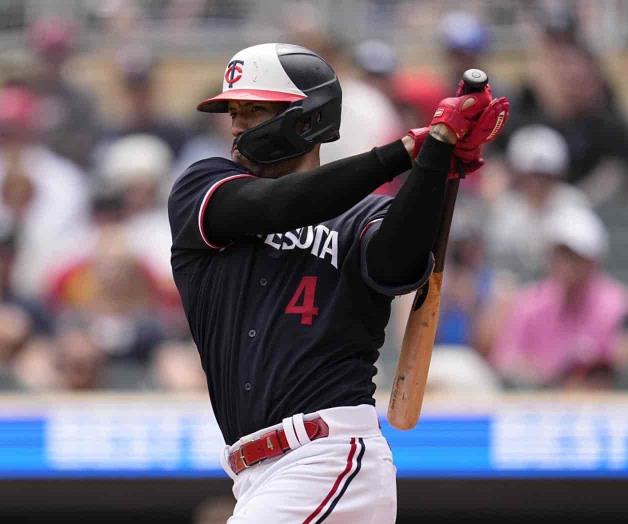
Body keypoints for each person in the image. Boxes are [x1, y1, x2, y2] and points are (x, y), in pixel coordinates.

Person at [168, 43, 508, 522]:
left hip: (328, 455)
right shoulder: (201, 186)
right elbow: (279, 204)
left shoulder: (364, 215)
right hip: (254, 473)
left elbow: (396, 264)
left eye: (255, 109)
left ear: (307, 119)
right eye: (234, 111)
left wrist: (435, 161)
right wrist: (410, 150)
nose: (239, 124)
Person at [490, 206, 627, 390]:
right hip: (540, 403)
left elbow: (619, 361)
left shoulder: (617, 304)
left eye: (574, 256)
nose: (565, 264)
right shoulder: (531, 301)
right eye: (560, 255)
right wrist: (542, 372)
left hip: (603, 403)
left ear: (593, 260)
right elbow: (504, 360)